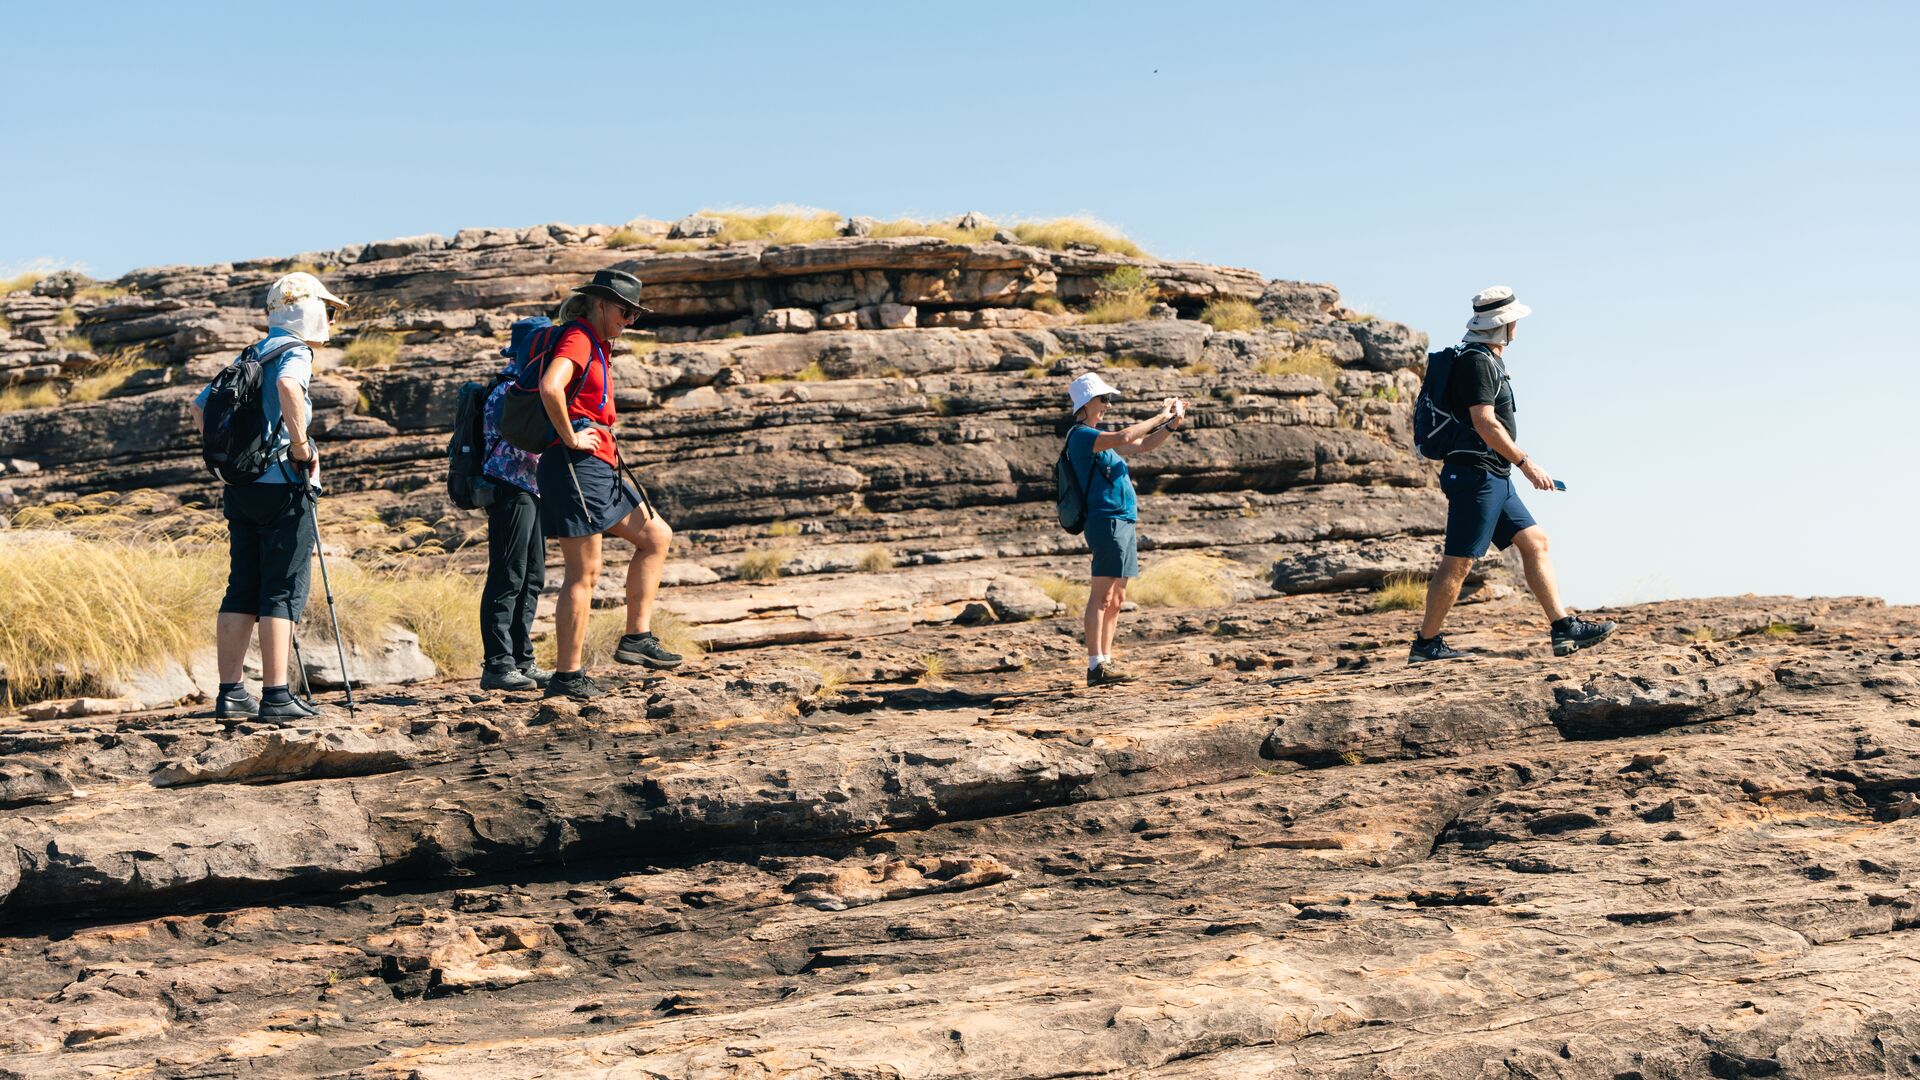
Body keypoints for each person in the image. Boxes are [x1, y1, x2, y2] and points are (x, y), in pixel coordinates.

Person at [1409, 286, 1616, 663]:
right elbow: (1484, 422)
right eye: (1514, 321)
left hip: (1493, 475)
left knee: (1536, 542)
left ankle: (1563, 628)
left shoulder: (1488, 359)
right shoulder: (1477, 362)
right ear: (1502, 326)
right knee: (1459, 561)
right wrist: (1527, 464)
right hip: (1476, 477)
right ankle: (1426, 644)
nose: (1518, 327)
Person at [189, 271, 345, 722]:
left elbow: (199, 407)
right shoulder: (295, 351)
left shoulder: (252, 352)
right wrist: (299, 449)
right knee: (281, 589)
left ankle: (232, 694)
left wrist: (239, 460)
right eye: (328, 311)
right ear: (311, 310)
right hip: (284, 487)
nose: (331, 320)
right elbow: (288, 387)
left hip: (240, 488)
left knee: (242, 587)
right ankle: (277, 695)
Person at [537, 269, 681, 700]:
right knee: (585, 573)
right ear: (600, 303)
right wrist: (569, 436)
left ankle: (636, 639)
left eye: (635, 313)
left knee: (656, 535)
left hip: (599, 465)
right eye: (625, 310)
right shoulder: (579, 338)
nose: (630, 320)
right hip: (574, 466)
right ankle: (567, 676)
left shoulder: (600, 343)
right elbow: (550, 387)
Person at [1065, 372, 1187, 687]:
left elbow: (1143, 444)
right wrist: (1159, 414)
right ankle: (1095, 666)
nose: (1107, 404)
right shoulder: (1081, 436)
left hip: (1122, 520)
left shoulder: (1097, 437)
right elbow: (1127, 436)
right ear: (1086, 402)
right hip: (1106, 520)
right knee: (1103, 594)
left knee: (1117, 597)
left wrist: (1170, 425)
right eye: (1103, 399)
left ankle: (1106, 660)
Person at [476, 352, 551, 692]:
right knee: (508, 575)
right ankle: (498, 665)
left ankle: (522, 660)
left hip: (530, 489)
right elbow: (524, 447)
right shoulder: (510, 391)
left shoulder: (523, 386)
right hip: (511, 489)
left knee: (531, 576)